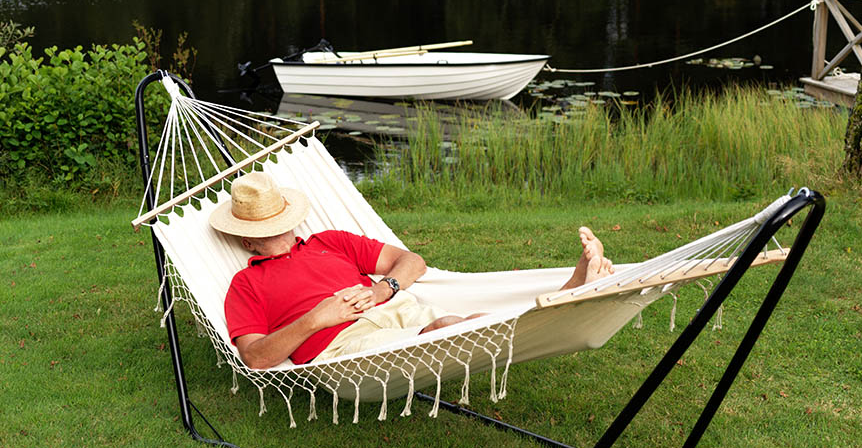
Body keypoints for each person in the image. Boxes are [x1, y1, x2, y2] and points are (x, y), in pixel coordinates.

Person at [210, 172, 615, 369]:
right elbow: (255, 357)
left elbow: (412, 262)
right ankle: (566, 298)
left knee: (467, 321)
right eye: (265, 228)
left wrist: (383, 289)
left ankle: (569, 291)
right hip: (342, 349)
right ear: (247, 241)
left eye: (278, 220)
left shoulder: (328, 242)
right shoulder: (246, 284)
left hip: (394, 309)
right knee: (448, 329)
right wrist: (317, 319)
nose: (279, 229)